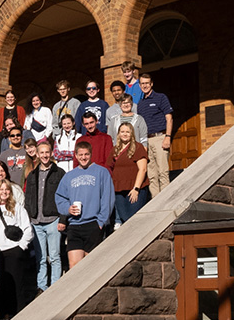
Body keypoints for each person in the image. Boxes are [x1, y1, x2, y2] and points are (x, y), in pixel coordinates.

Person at [55, 141, 115, 269]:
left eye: (86, 154)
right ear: (76, 155)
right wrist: (67, 209)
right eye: (81, 155)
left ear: (91, 154)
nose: (83, 157)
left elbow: (107, 198)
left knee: (91, 266)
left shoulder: (101, 172)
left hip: (93, 224)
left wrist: (101, 222)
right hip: (74, 225)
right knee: (74, 265)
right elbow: (60, 197)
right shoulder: (69, 176)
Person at [0, 179, 33, 318]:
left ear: (10, 192)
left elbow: (28, 229)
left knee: (16, 287)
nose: (4, 192)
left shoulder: (17, 208)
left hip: (13, 251)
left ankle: (18, 317)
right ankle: (1, 318)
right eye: (1, 189)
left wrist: (21, 247)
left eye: (6, 189)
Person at [25, 142, 65, 293]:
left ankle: (55, 286)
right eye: (41, 153)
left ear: (51, 153)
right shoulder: (32, 174)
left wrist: (62, 219)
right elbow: (28, 198)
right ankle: (42, 286)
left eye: (47, 152)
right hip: (36, 221)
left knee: (54, 256)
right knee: (40, 258)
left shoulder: (59, 173)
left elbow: (64, 198)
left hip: (53, 220)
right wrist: (29, 218)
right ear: (37, 154)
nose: (44, 155)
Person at [137, 73, 174, 197]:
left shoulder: (160, 97)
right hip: (147, 141)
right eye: (142, 83)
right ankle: (156, 200)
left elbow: (169, 118)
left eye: (147, 83)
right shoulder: (140, 104)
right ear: (140, 85)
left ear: (151, 84)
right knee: (152, 174)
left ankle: (166, 199)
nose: (145, 86)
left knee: (163, 172)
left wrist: (167, 137)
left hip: (160, 138)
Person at [109, 123, 150, 228]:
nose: (125, 134)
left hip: (135, 189)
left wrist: (136, 189)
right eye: (122, 132)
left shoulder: (138, 147)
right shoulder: (115, 150)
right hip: (119, 191)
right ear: (118, 134)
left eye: (127, 132)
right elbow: (109, 167)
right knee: (124, 218)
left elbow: (143, 169)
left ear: (132, 133)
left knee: (133, 219)